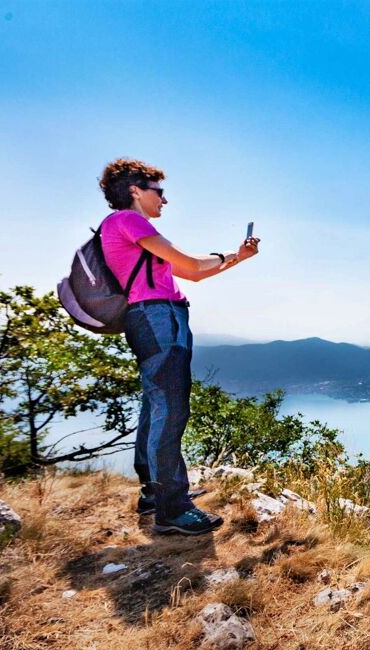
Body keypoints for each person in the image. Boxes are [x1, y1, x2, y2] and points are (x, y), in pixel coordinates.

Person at [98, 158, 259, 535]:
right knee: (170, 408)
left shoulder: (130, 234)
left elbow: (192, 274)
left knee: (156, 406)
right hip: (158, 319)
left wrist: (239, 257)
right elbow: (190, 261)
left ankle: (156, 494)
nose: (164, 200)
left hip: (156, 318)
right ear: (135, 191)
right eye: (159, 191)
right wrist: (224, 254)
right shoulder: (129, 221)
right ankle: (172, 507)